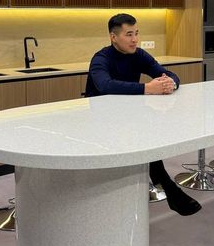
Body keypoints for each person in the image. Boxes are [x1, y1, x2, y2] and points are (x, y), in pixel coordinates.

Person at [85, 13, 201, 216]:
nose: (135, 39)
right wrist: (147, 88)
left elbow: (168, 74)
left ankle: (165, 187)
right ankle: (168, 188)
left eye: (136, 33)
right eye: (129, 34)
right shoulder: (101, 59)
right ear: (113, 37)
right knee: (144, 136)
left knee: (149, 135)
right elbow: (105, 85)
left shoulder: (138, 55)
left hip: (128, 117)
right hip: (101, 121)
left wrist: (170, 83)